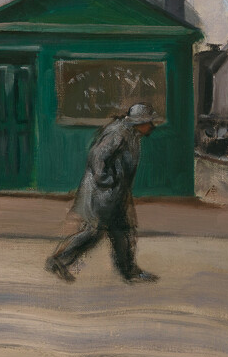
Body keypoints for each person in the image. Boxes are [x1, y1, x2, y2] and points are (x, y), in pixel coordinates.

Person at [45, 103, 160, 284]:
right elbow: (97, 156)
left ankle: (129, 271)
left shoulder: (132, 134)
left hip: (116, 194)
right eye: (150, 122)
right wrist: (107, 180)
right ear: (140, 122)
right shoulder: (119, 134)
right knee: (94, 232)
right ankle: (58, 260)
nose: (152, 126)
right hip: (103, 194)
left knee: (122, 231)